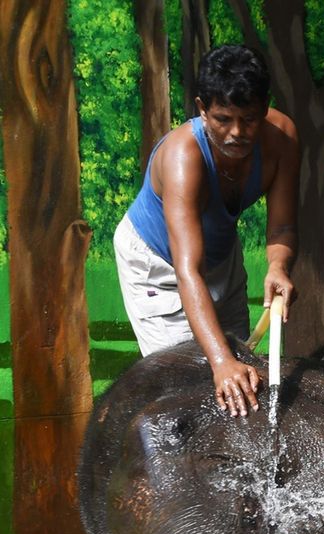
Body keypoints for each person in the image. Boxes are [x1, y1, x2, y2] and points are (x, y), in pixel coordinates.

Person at [114, 44, 299, 417]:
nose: (236, 132)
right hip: (159, 264)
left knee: (244, 376)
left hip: (218, 251)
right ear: (201, 108)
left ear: (265, 107)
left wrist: (278, 266)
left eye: (248, 119)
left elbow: (281, 225)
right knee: (190, 385)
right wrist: (218, 360)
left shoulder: (282, 138)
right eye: (222, 119)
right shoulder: (183, 157)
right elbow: (188, 271)